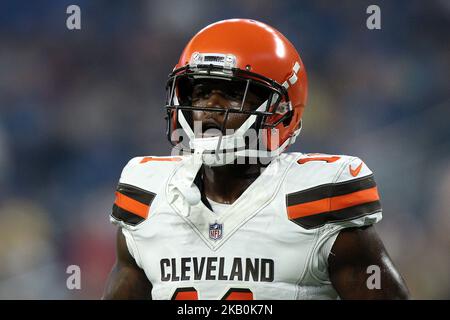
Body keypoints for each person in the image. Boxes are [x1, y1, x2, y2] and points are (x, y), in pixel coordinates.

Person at [103, 19, 409, 300]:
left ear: (283, 111)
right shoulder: (148, 196)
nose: (211, 107)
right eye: (201, 91)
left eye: (233, 93)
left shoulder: (320, 198)